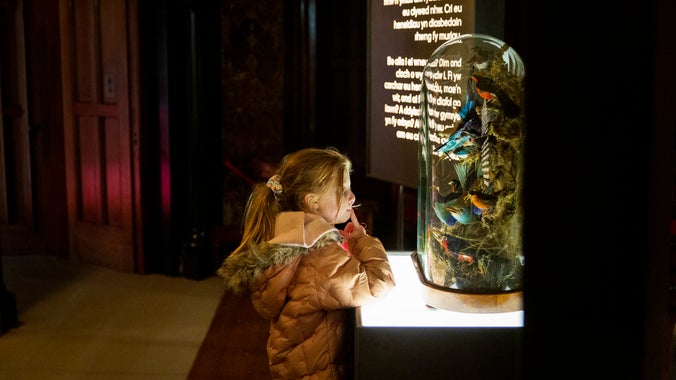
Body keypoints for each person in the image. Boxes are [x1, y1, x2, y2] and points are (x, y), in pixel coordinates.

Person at [217, 147, 396, 380]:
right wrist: (361, 241)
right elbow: (379, 283)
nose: (352, 197)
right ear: (312, 202)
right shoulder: (318, 253)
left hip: (295, 366)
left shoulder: (288, 237)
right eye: (343, 190)